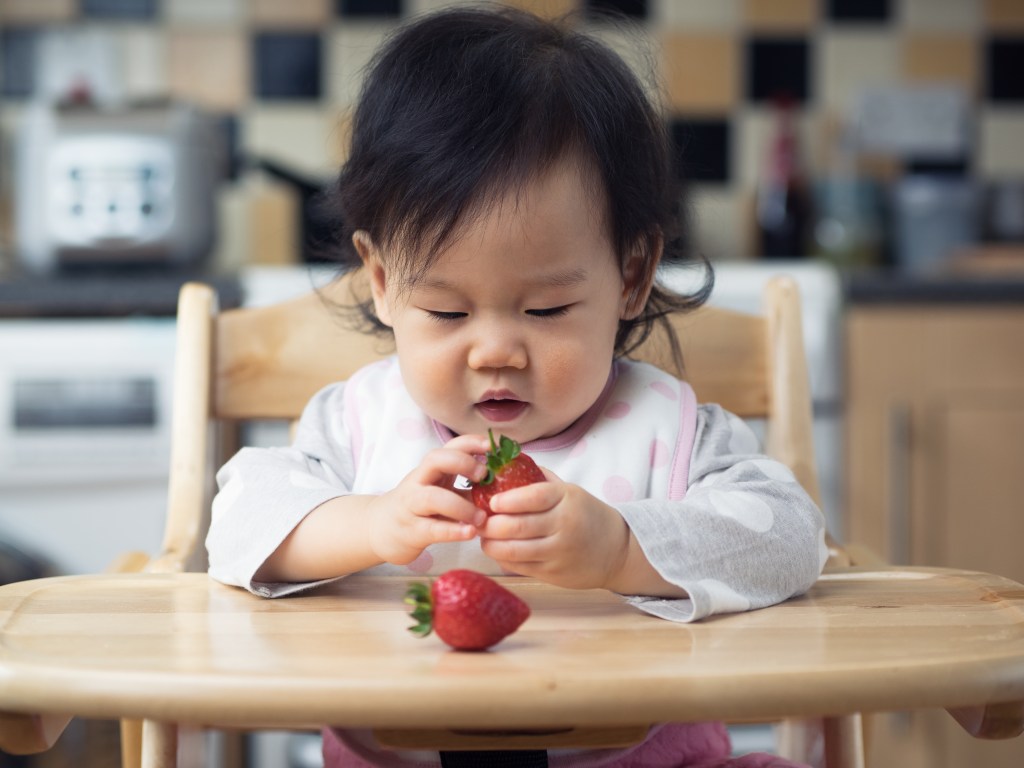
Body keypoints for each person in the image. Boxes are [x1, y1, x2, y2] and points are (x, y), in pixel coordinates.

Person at [207, 7, 826, 767]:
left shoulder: (676, 433)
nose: (496, 349)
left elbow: (789, 539)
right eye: (446, 310)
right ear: (380, 282)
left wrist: (622, 547)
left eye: (545, 309)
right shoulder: (356, 426)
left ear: (631, 275)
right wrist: (369, 525)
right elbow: (236, 522)